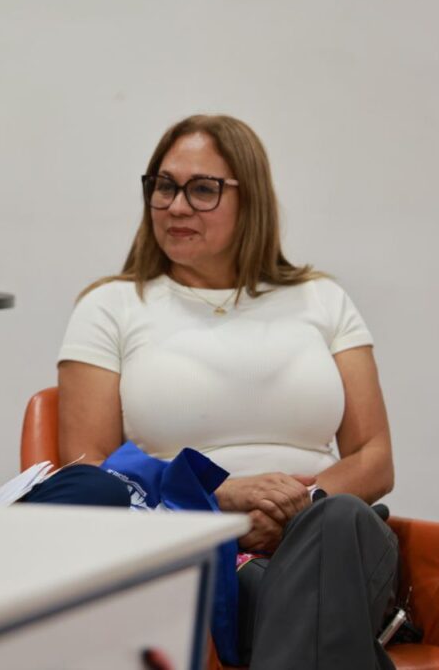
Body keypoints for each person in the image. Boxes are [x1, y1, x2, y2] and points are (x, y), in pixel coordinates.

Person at [49, 115, 398, 669]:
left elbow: (374, 456)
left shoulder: (322, 299)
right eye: (164, 186)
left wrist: (295, 512)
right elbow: (89, 468)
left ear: (250, 197)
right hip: (199, 551)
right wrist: (221, 499)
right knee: (301, 605)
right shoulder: (109, 308)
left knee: (338, 525)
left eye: (203, 189)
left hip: (333, 535)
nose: (176, 206)